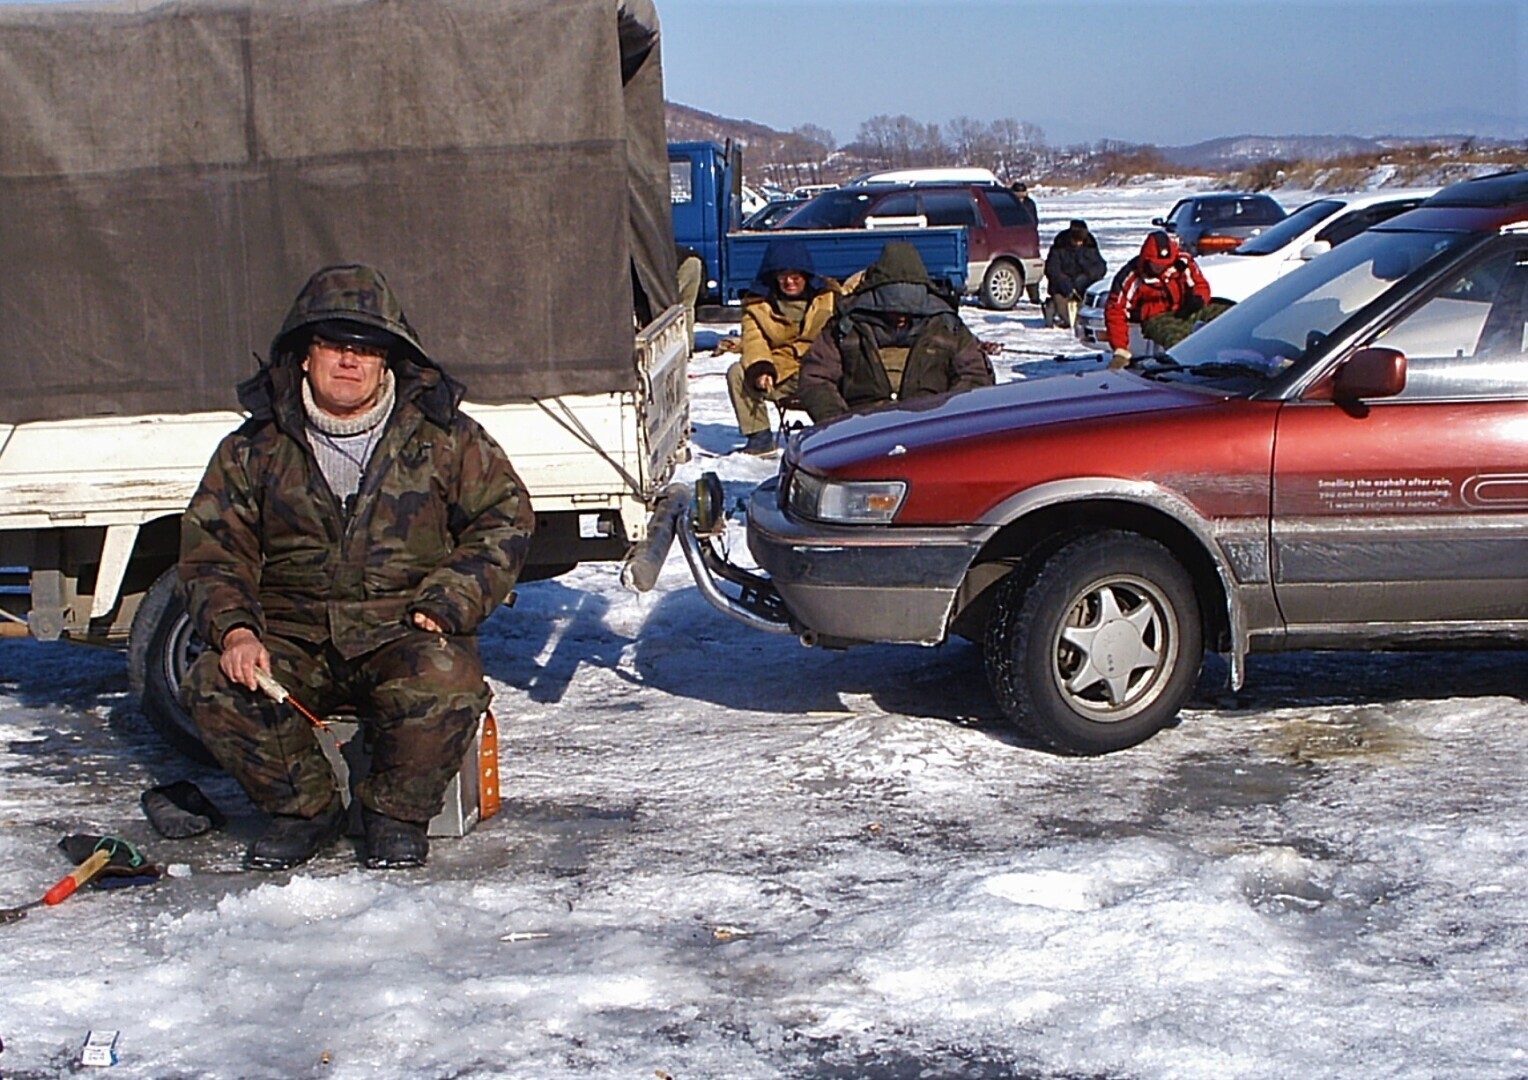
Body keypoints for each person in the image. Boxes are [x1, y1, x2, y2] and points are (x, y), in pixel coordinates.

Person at [178, 264, 536, 872]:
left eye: (366, 349)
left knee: (448, 680)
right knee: (214, 680)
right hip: (292, 634)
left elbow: (505, 518)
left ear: (389, 361)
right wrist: (236, 630)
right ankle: (304, 811)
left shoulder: (446, 438)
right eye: (334, 345)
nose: (349, 361)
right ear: (303, 356)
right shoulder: (253, 448)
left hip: (403, 628)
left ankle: (396, 815)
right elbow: (214, 547)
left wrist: (448, 602)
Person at [799, 241, 993, 422]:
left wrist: (948, 417)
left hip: (931, 429)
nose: (901, 317)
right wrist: (839, 422)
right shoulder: (846, 327)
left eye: (909, 310)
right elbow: (817, 377)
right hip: (862, 430)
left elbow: (974, 375)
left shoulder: (947, 327)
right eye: (893, 310)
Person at [727, 237, 845, 454]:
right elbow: (755, 341)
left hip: (823, 369)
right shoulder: (757, 305)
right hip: (783, 372)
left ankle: (839, 434)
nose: (789, 282)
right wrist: (762, 369)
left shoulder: (828, 297)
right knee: (737, 373)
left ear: (805, 276)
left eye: (795, 276)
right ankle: (759, 437)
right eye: (783, 277)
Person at [1103, 229, 1217, 368]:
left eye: (1164, 264)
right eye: (1156, 264)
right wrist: (1121, 350)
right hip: (1157, 317)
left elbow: (1200, 284)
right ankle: (1192, 371)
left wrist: (1198, 299)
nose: (1160, 267)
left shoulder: (1182, 262)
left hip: (1186, 308)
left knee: (1229, 316)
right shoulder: (1131, 276)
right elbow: (1115, 311)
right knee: (1179, 343)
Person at [1043, 219, 1107, 330]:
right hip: (1062, 287)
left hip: (1083, 287)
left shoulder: (1090, 246)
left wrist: (1087, 276)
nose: (1078, 243)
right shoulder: (1059, 246)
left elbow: (1101, 267)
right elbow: (1052, 268)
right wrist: (1062, 281)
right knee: (1066, 317)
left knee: (1081, 316)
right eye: (1076, 241)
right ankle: (1052, 308)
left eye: (1081, 241)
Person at [1009, 181, 1043, 303]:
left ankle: (1034, 296)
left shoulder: (1030, 204)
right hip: (1012, 239)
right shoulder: (1008, 204)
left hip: (1027, 239)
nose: (1021, 197)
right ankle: (1016, 293)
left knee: (1030, 265)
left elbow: (1034, 221)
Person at [675, 244, 705, 353]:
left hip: (684, 265)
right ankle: (689, 347)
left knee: (671, 307)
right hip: (694, 261)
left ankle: (682, 349)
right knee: (687, 307)